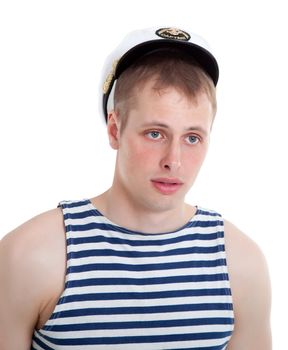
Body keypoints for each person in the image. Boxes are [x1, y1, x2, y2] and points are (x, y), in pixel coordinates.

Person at [0, 26, 272, 350]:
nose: (174, 161)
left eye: (192, 138)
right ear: (115, 129)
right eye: (155, 133)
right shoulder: (31, 256)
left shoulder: (239, 263)